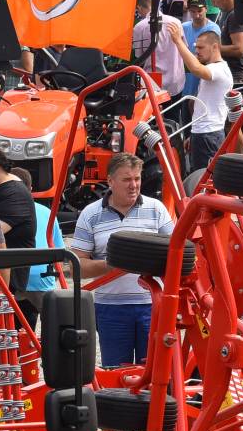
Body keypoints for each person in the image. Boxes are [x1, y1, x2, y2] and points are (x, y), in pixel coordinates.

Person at [69, 152, 173, 366]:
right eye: (127, 179)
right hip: (111, 310)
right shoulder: (90, 214)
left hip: (152, 306)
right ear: (110, 181)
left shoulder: (156, 209)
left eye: (137, 178)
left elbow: (175, 254)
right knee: (115, 373)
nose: (133, 185)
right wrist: (115, 263)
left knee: (155, 371)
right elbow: (77, 266)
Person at [177, 28, 235, 173]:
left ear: (215, 47)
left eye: (201, 47)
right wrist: (193, 134)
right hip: (203, 133)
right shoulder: (214, 69)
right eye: (196, 47)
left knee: (204, 180)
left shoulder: (219, 69)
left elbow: (196, 69)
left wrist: (178, 42)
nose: (197, 51)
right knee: (197, 177)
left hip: (209, 135)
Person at [14, 167, 64, 332]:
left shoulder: (5, 211)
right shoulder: (47, 212)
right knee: (52, 329)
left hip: (15, 277)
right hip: (43, 277)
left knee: (17, 326)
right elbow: (58, 249)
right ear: (31, 189)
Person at [130, 0, 190, 95]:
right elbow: (184, 48)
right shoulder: (175, 22)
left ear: (138, 7)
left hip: (153, 84)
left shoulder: (140, 27)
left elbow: (139, 56)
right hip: (175, 81)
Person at [208, 0, 243, 82]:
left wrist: (211, 49)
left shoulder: (234, 16)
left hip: (236, 75)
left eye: (214, 1)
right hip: (237, 73)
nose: (214, 5)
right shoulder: (237, 12)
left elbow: (239, 49)